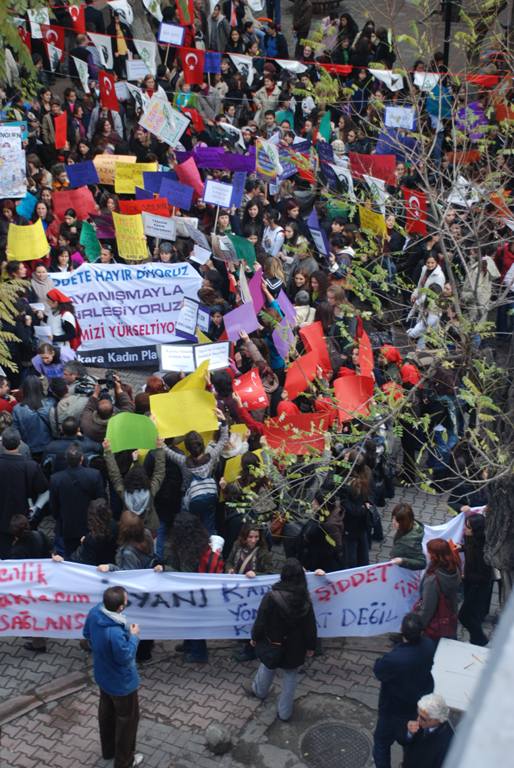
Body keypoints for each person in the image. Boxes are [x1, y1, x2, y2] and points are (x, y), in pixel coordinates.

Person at [245, 558, 317, 721]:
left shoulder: (272, 597)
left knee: (267, 666)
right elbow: (310, 626)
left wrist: (255, 637)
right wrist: (311, 646)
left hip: (273, 642)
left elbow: (261, 620)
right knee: (291, 676)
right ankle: (285, 713)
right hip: (296, 647)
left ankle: (260, 691)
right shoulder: (305, 599)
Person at [83, 586, 143, 768]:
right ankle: (125, 761)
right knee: (127, 722)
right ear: (120, 608)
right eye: (126, 600)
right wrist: (133, 637)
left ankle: (108, 751)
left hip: (103, 676)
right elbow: (125, 657)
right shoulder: (115, 633)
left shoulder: (94, 613)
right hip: (122, 684)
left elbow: (86, 635)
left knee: (106, 714)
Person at [373, 613, 435, 768]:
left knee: (381, 744)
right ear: (421, 632)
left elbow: (379, 670)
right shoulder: (429, 646)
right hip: (417, 708)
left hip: (393, 711)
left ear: (402, 631)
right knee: (410, 743)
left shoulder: (395, 659)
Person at [49, 444, 106, 557]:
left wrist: (59, 518)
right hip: (90, 525)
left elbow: (53, 506)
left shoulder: (56, 479)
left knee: (68, 557)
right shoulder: (94, 475)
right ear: (82, 459)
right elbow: (101, 500)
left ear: (66, 460)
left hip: (67, 525)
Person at [0, 428, 48, 558]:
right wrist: (36, 508)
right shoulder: (31, 466)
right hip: (23, 522)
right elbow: (44, 491)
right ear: (20, 443)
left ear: (2, 443)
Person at [416, 538, 461, 642]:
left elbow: (427, 608)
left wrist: (418, 626)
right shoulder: (454, 567)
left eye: (429, 552)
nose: (427, 554)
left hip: (435, 626)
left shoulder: (433, 580)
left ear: (434, 556)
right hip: (449, 616)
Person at [458, 513, 493, 645]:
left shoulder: (482, 551)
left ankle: (480, 640)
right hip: (470, 584)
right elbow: (469, 548)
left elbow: (484, 576)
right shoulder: (471, 540)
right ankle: (475, 640)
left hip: (477, 588)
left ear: (476, 530)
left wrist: (465, 576)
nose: (464, 529)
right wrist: (461, 548)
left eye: (468, 527)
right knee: (471, 615)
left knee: (465, 616)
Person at [402, 693, 454, 768]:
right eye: (418, 714)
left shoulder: (447, 741)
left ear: (437, 719)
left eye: (423, 718)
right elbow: (404, 742)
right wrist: (409, 734)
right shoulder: (421, 717)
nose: (418, 719)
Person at [389, 503, 427, 570]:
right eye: (393, 518)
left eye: (397, 521)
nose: (393, 522)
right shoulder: (408, 526)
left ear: (405, 522)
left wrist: (402, 561)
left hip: (403, 572)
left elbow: (422, 563)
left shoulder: (410, 542)